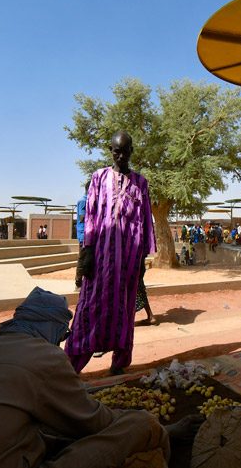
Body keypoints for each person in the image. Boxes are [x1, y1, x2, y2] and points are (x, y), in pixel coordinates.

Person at [0, 288, 201, 468]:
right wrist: (157, 427)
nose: (61, 342)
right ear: (52, 329)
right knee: (141, 424)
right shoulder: (45, 357)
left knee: (42, 431)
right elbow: (94, 422)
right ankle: (164, 437)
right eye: (62, 335)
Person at [65, 131, 156, 375]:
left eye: (125, 151)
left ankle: (119, 363)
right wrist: (87, 251)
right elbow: (91, 216)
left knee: (124, 309)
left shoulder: (141, 183)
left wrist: (142, 258)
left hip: (129, 260)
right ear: (110, 150)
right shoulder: (99, 177)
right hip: (100, 258)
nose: (121, 156)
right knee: (90, 307)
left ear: (131, 151)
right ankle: (72, 365)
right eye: (117, 151)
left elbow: (145, 220)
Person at [73, 181, 91, 290]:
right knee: (82, 258)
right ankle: (78, 283)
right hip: (84, 234)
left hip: (90, 234)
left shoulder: (90, 200)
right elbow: (82, 217)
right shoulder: (83, 201)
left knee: (88, 259)